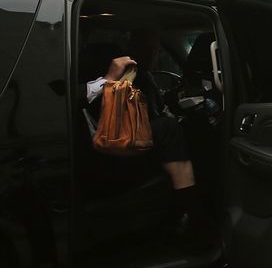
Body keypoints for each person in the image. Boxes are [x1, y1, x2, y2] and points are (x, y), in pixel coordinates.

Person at [84, 29, 213, 248]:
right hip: (123, 151)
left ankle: (189, 214)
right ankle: (194, 216)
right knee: (171, 128)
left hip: (119, 147)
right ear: (133, 48)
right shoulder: (131, 75)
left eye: (156, 49)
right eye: (149, 49)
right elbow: (145, 119)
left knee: (171, 128)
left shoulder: (142, 75)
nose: (153, 54)